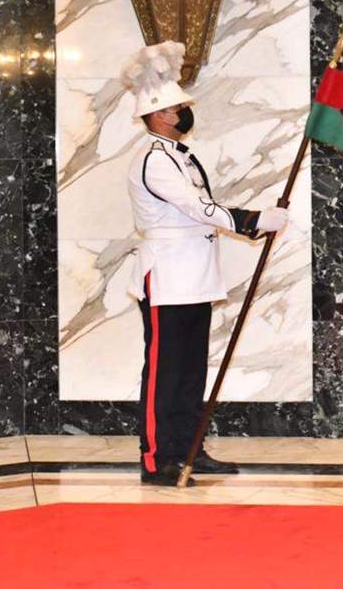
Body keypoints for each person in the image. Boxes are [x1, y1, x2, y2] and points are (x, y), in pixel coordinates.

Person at [122, 42, 290, 487]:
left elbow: (201, 209)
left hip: (194, 275)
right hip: (167, 276)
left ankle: (188, 449)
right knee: (165, 373)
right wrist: (252, 220)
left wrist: (251, 222)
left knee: (191, 370)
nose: (184, 112)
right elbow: (196, 208)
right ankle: (157, 460)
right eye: (178, 107)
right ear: (159, 115)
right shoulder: (154, 160)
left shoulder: (181, 155)